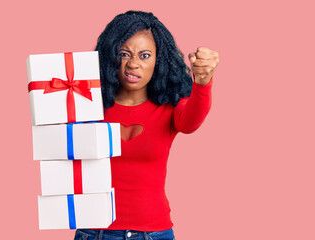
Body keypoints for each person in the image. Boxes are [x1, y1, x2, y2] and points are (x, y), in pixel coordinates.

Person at [74, 10, 219, 240]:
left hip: (154, 233)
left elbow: (191, 121)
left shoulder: (169, 107)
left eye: (144, 55)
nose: (133, 64)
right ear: (112, 55)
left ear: (158, 60)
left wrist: (203, 83)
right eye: (124, 53)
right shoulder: (87, 104)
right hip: (95, 232)